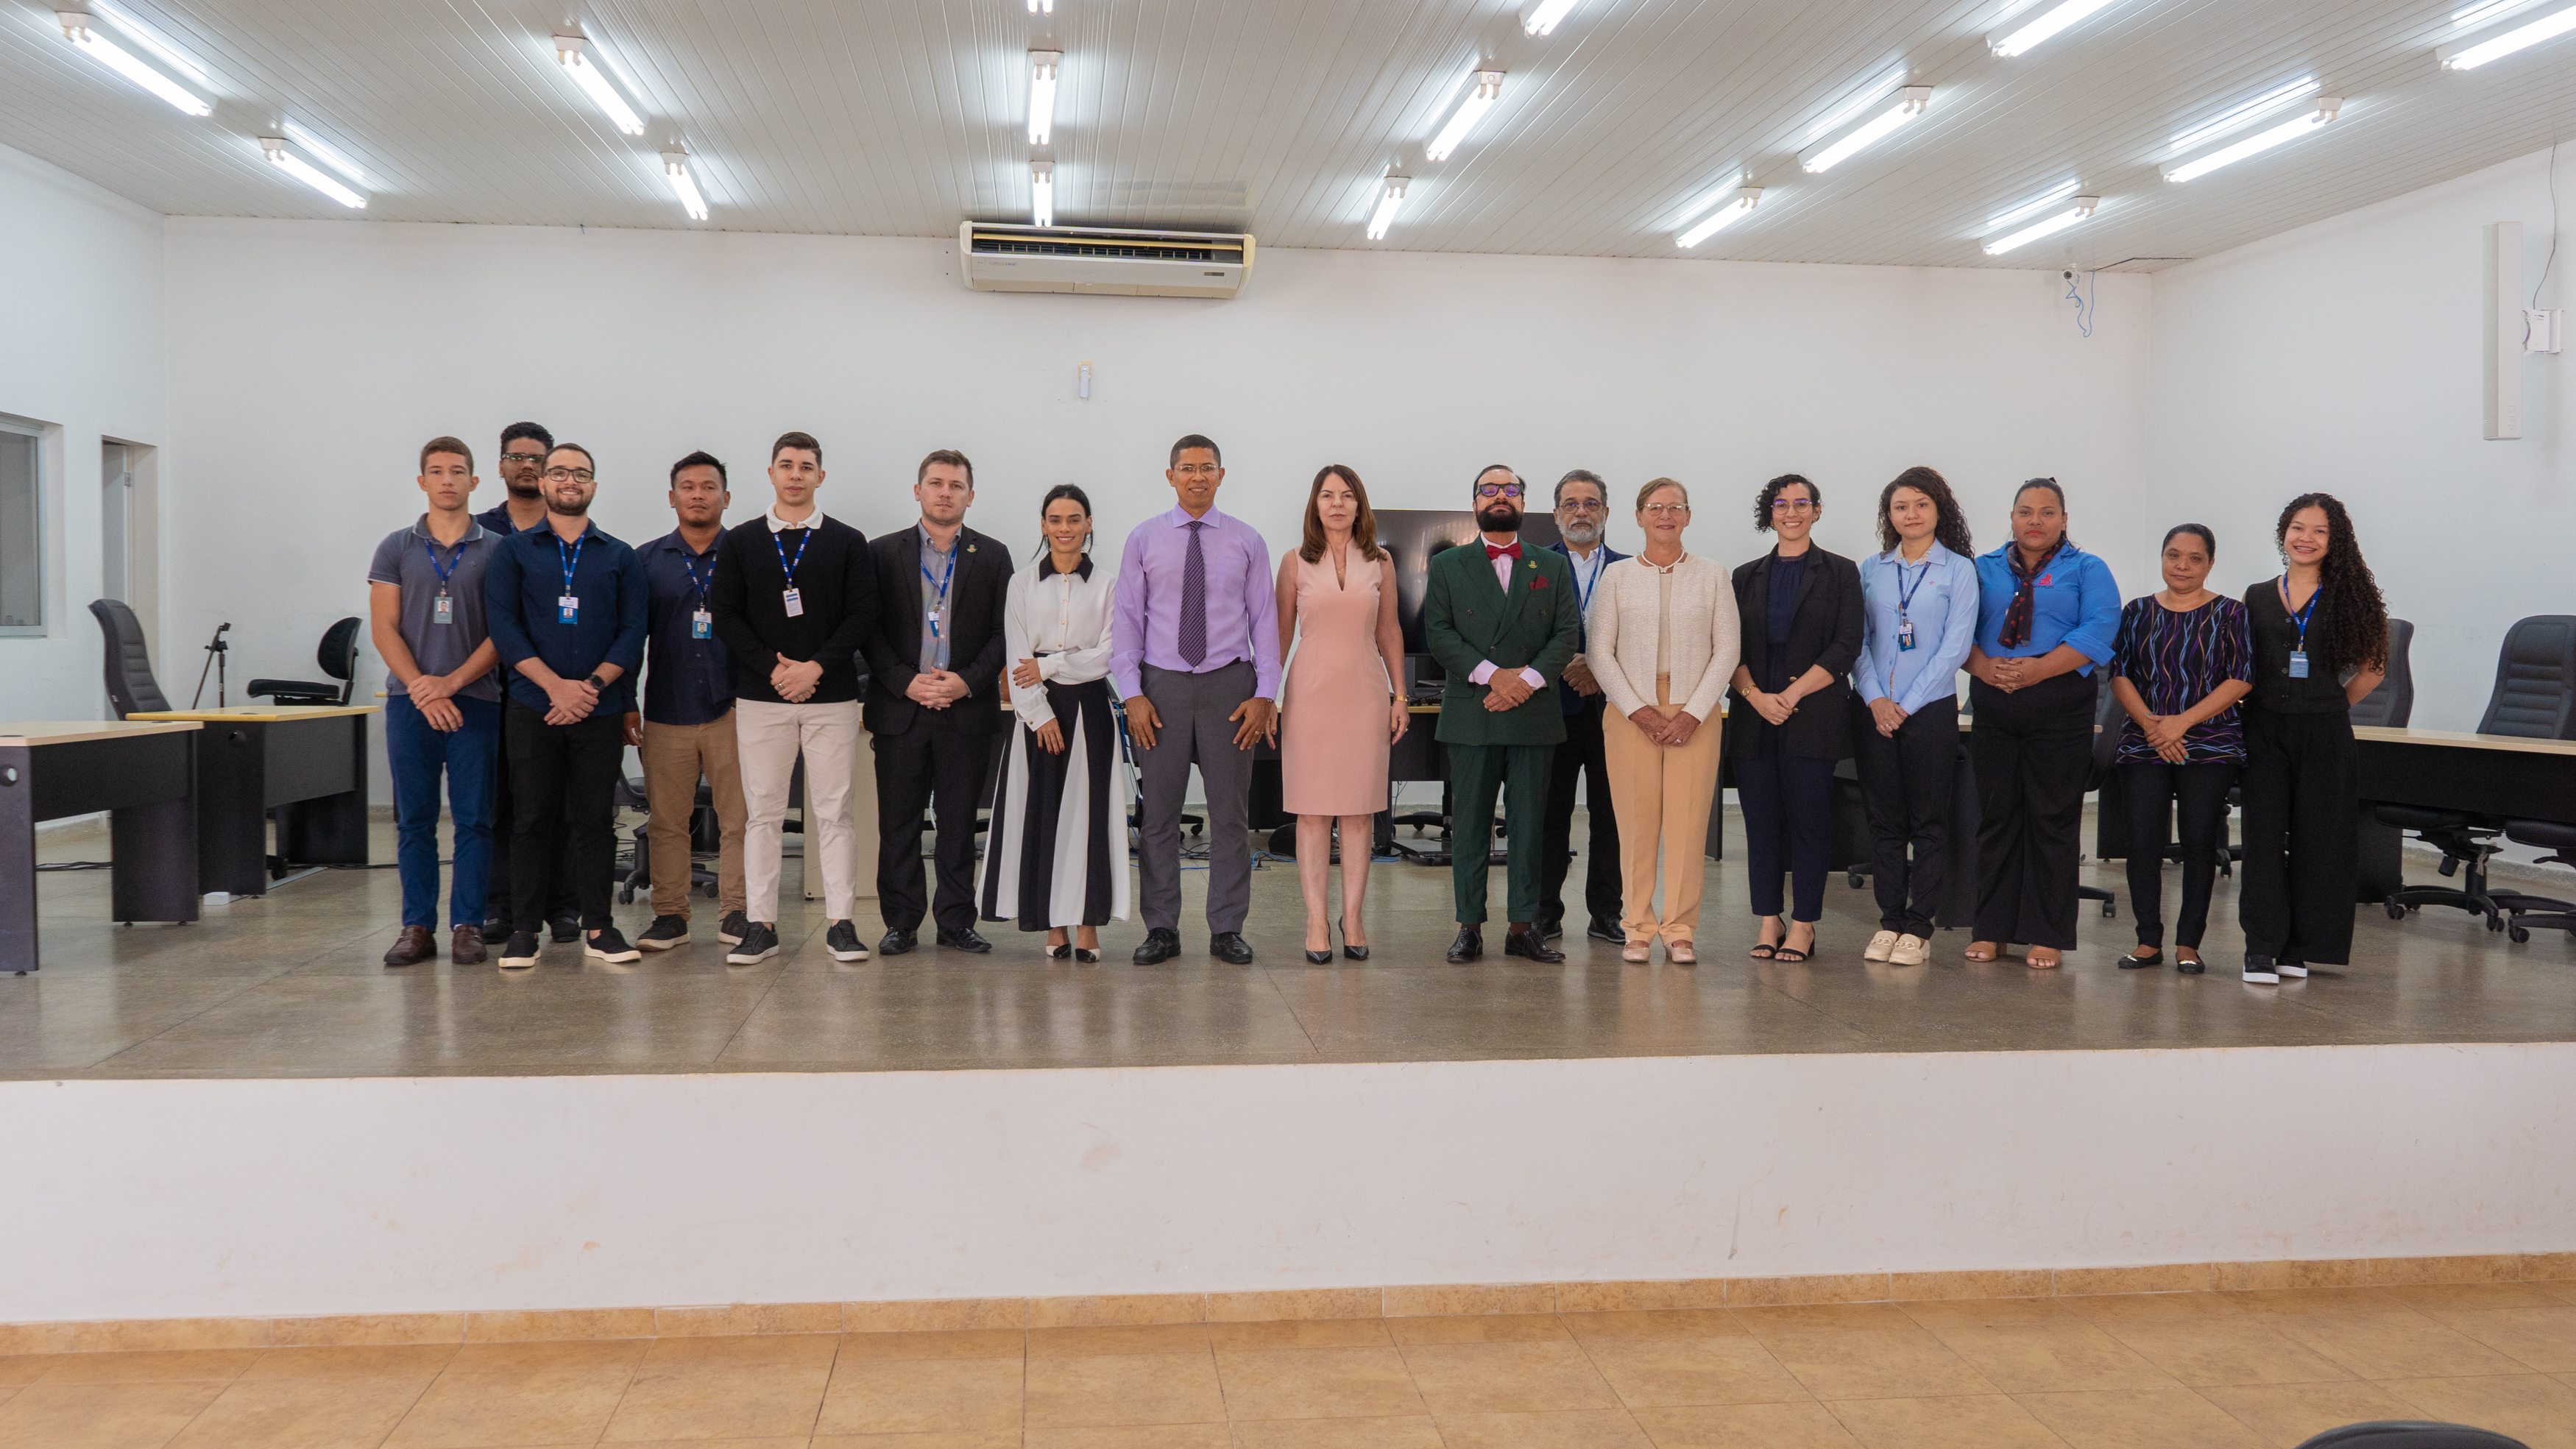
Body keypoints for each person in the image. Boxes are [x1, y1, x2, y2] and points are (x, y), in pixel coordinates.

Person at [708, 431, 878, 967]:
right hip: (763, 698)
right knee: (763, 814)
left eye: (806, 466)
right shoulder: (741, 540)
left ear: (820, 476)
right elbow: (724, 613)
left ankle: (842, 924)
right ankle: (761, 926)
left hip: (831, 697)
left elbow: (862, 614)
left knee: (836, 813)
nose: (796, 474)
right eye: (787, 465)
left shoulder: (848, 541)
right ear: (771, 474)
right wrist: (774, 668)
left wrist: (816, 667)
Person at [1113, 434, 1280, 966]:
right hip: (1159, 688)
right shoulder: (1143, 539)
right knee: (1158, 815)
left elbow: (1266, 623)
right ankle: (1161, 928)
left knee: (1229, 814)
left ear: (1221, 475)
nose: (1197, 476)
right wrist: (1132, 693)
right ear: (1171, 476)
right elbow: (1126, 621)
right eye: (1187, 468)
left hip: (1229, 688)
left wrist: (1266, 693)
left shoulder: (1248, 541)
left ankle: (1227, 928)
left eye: (1207, 467)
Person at [482, 442, 649, 969]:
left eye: (580, 473)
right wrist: (556, 686)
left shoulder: (619, 555)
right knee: (531, 819)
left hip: (597, 710)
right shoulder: (514, 551)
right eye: (559, 472)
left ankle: (599, 926)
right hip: (534, 706)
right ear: (544, 482)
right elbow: (504, 627)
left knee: (595, 820)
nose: (569, 481)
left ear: (593, 485)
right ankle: (525, 929)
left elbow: (633, 631)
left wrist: (590, 687)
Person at [1423, 464, 1581, 964]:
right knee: (1469, 825)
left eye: (1510, 489)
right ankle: (1469, 927)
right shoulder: (1448, 565)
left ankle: (1523, 928)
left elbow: (1567, 634)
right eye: (1489, 489)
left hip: (1533, 712)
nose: (1500, 496)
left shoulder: (1551, 565)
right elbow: (1439, 633)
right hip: (1474, 711)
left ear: (1523, 503)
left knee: (1530, 826)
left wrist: (1524, 682)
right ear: (1475, 503)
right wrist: (1495, 677)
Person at [1964, 478, 2120, 969]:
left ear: (2064, 519)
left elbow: (2100, 628)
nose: (2036, 521)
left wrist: (2038, 669)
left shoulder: (2087, 569)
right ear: (2012, 518)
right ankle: (1992, 929)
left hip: (2059, 703)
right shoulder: (1983, 568)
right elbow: (1955, 628)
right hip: (1994, 702)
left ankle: (2047, 933)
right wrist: (1982, 667)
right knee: (1997, 818)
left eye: (2047, 512)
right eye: (2026, 511)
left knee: (2053, 819)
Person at [864, 450, 1012, 955]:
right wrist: (905, 682)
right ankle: (901, 922)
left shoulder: (993, 556)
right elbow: (869, 631)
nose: (945, 492)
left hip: (964, 711)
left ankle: (955, 922)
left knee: (958, 825)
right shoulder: (883, 553)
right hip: (901, 710)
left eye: (955, 485)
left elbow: (1003, 634)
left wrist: (965, 682)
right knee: (898, 824)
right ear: (918, 490)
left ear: (970, 496)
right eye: (936, 483)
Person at [1588, 479, 1739, 964]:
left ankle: (1679, 929)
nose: (1665, 515)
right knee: (1635, 825)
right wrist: (1638, 710)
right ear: (1638, 517)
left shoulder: (1713, 575)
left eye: (1675, 507)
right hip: (1630, 713)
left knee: (1687, 825)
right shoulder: (1617, 577)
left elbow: (1727, 649)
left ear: (1688, 516)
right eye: (1655, 507)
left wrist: (1694, 712)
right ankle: (1637, 926)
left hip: (1696, 712)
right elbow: (1599, 651)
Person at [2237, 493, 2386, 984]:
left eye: (2320, 531)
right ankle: (2261, 948)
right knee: (2262, 838)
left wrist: (2332, 705)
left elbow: (2374, 668)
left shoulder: (2351, 596)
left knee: (2317, 841)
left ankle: (2298, 948)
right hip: (2263, 728)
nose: (2306, 538)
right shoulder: (2257, 595)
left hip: (2324, 732)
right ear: (2284, 532)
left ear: (2335, 540)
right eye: (2298, 527)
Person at [367, 436, 503, 967]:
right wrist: (423, 687)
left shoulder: (497, 549)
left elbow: (503, 632)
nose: (448, 480)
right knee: (415, 821)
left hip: (476, 701)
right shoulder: (396, 547)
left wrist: (451, 684)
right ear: (423, 481)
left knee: (474, 820)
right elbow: (384, 627)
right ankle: (417, 927)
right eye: (438, 471)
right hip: (410, 703)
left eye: (458, 471)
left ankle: (467, 925)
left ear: (474, 481)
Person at [980, 485, 1128, 957]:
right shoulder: (1021, 584)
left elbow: (1108, 655)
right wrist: (1039, 714)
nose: (1065, 528)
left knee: (1088, 819)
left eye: (1074, 519)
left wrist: (1050, 665)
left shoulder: (1109, 585)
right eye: (1056, 519)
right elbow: (1016, 655)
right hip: (1035, 712)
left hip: (1089, 710)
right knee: (1041, 816)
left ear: (1089, 525)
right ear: (1043, 525)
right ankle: (1052, 926)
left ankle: (1087, 927)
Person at [1728, 475, 1864, 965]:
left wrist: (1789, 694)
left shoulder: (1841, 572)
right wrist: (1755, 696)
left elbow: (1847, 644)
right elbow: (1727, 647)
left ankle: (1804, 924)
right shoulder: (1744, 576)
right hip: (1754, 716)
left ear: (1817, 510)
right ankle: (1770, 920)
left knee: (1810, 822)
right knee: (1761, 824)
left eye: (1802, 503)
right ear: (1770, 513)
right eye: (1782, 504)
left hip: (1813, 713)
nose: (1792, 512)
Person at [1274, 464, 1406, 963]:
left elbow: (1389, 631)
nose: (1337, 504)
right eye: (1328, 495)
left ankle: (1353, 917)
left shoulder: (1381, 562)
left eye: (1347, 495)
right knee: (1312, 812)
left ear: (1359, 505)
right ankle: (1316, 921)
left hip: (1365, 693)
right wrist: (1267, 697)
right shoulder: (1293, 561)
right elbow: (1280, 636)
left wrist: (1400, 695)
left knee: (1358, 810)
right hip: (1309, 695)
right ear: (1315, 504)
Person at [2109, 525, 2252, 975]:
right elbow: (2119, 673)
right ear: (2162, 558)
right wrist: (2154, 727)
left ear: (2210, 564)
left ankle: (2189, 943)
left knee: (2198, 841)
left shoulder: (2231, 613)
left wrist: (2181, 723)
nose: (2182, 566)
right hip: (2145, 738)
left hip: (2210, 741)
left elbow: (2241, 678)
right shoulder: (2137, 611)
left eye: (2194, 558)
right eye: (2173, 555)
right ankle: (2147, 939)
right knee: (2142, 841)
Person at [1850, 467, 1979, 968]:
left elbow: (1955, 647)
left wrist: (1906, 703)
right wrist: (1875, 699)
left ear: (1939, 509)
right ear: (1889, 515)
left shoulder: (1958, 571)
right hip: (1875, 711)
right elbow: (1858, 641)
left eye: (1921, 504)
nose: (1911, 514)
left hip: (1929, 710)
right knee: (1884, 822)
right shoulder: (1872, 568)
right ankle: (1889, 921)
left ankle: (1919, 926)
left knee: (1928, 822)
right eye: (1901, 506)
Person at [621, 451, 749, 952]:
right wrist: (627, 701)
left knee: (739, 821)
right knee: (667, 823)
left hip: (733, 709)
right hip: (667, 709)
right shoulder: (646, 560)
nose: (698, 495)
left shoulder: (746, 554)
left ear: (726, 497)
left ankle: (736, 912)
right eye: (688, 487)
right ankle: (670, 915)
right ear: (672, 498)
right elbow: (630, 638)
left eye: (709, 486)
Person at [475, 420, 576, 944]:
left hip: (559, 694)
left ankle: (563, 906)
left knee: (559, 804)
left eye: (537, 457)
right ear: (500, 467)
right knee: (502, 805)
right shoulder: (479, 533)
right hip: (491, 692)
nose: (527, 465)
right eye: (516, 457)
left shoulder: (573, 532)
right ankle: (502, 905)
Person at [1540, 469, 1627, 945]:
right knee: (1549, 817)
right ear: (1556, 514)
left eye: (1591, 504)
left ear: (1606, 513)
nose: (1581, 512)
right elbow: (1525, 636)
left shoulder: (1631, 570)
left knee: (1611, 819)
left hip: (1614, 713)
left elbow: (1643, 639)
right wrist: (1566, 666)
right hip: (1551, 710)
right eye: (1571, 504)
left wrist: (1597, 666)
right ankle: (1544, 913)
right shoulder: (1535, 565)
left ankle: (1606, 913)